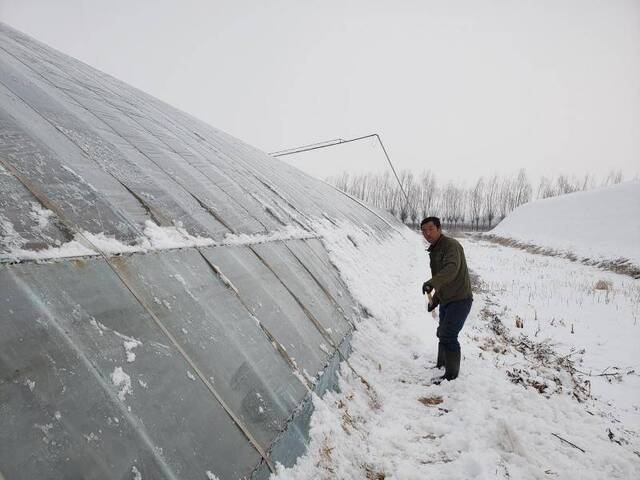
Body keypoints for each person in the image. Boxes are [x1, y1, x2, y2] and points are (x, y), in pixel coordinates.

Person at [420, 216, 473, 382]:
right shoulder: (435, 249)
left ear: (439, 228)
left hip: (460, 299)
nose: (427, 233)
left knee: (449, 335)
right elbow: (442, 278)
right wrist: (435, 300)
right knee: (441, 333)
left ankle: (451, 376)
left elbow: (451, 269)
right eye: (423, 231)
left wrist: (431, 283)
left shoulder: (451, 246)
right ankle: (441, 365)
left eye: (430, 229)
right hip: (446, 300)